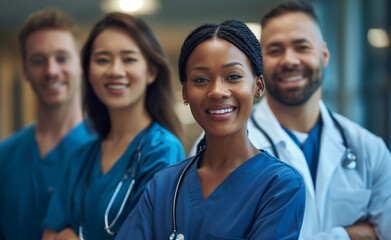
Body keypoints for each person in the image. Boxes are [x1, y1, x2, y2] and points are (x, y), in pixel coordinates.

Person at [116, 19, 305, 240]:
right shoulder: (164, 185)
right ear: (185, 93)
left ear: (258, 86)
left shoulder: (279, 185)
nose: (217, 91)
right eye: (201, 79)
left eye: (233, 76)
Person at [247, 0, 391, 239]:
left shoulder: (369, 149)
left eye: (302, 47)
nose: (290, 60)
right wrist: (350, 235)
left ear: (324, 55)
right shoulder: (223, 147)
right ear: (259, 63)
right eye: (275, 50)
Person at [41, 12, 185, 240]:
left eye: (129, 59)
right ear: (88, 72)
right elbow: (48, 234)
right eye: (102, 60)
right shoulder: (81, 158)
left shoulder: (162, 150)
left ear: (151, 72)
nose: (115, 71)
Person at [0, 9, 97, 240]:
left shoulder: (106, 149)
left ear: (81, 64)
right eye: (38, 60)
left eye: (62, 58)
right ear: (25, 69)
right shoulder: (5, 156)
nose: (51, 71)